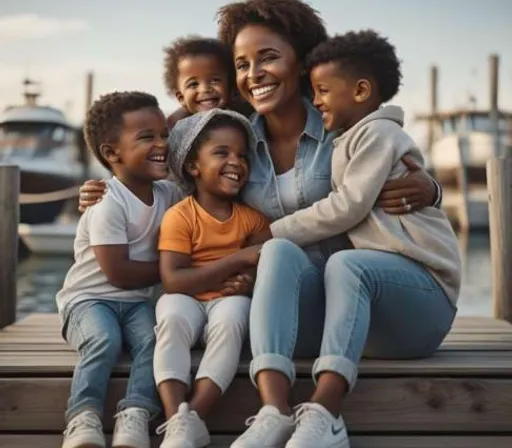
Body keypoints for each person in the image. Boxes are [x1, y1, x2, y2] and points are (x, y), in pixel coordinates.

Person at [78, 0, 445, 444]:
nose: (254, 73)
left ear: (303, 60)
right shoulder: (235, 133)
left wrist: (431, 187)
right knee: (268, 265)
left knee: (292, 253)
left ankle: (322, 413)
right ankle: (273, 410)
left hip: (366, 295)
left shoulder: (339, 121)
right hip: (289, 305)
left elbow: (389, 148)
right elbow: (165, 147)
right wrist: (103, 184)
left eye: (268, 57)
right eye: (241, 65)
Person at [258, 30, 460, 447]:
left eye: (324, 91)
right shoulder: (345, 139)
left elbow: (348, 206)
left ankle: (327, 411)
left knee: (344, 262)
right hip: (371, 318)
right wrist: (270, 243)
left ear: (362, 90)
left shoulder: (379, 135)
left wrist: (269, 230)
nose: (316, 100)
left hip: (423, 306)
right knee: (279, 253)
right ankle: (272, 410)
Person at [56, 91, 182, 448]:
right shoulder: (107, 203)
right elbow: (119, 274)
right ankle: (83, 417)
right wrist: (173, 271)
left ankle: (136, 413)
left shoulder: (168, 194)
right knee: (104, 339)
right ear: (112, 154)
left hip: (137, 302)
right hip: (89, 300)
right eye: (147, 137)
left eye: (164, 135)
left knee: (154, 341)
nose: (162, 144)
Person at [152, 109, 269, 448]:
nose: (236, 161)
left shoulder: (253, 220)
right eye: (222, 152)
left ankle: (195, 417)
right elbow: (173, 280)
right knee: (171, 316)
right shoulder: (180, 216)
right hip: (185, 299)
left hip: (225, 302)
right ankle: (176, 419)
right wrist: (238, 258)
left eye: (242, 155)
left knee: (234, 317)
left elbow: (261, 265)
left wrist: (248, 279)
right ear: (193, 166)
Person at [163, 35, 252, 128]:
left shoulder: (245, 121)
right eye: (193, 84)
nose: (205, 89)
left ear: (231, 87)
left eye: (214, 80)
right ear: (181, 98)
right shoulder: (179, 131)